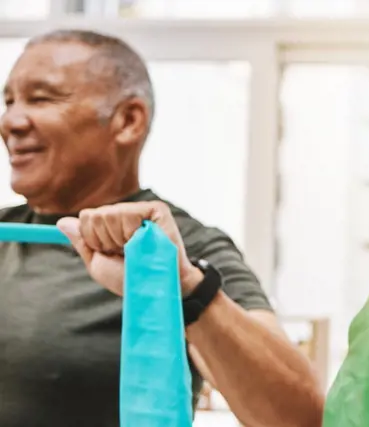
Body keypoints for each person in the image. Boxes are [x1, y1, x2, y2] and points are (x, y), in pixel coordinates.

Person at [0, 30, 323, 426]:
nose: (11, 121)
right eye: (9, 100)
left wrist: (188, 287)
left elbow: (301, 417)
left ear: (127, 121)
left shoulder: (181, 248)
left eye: (42, 98)